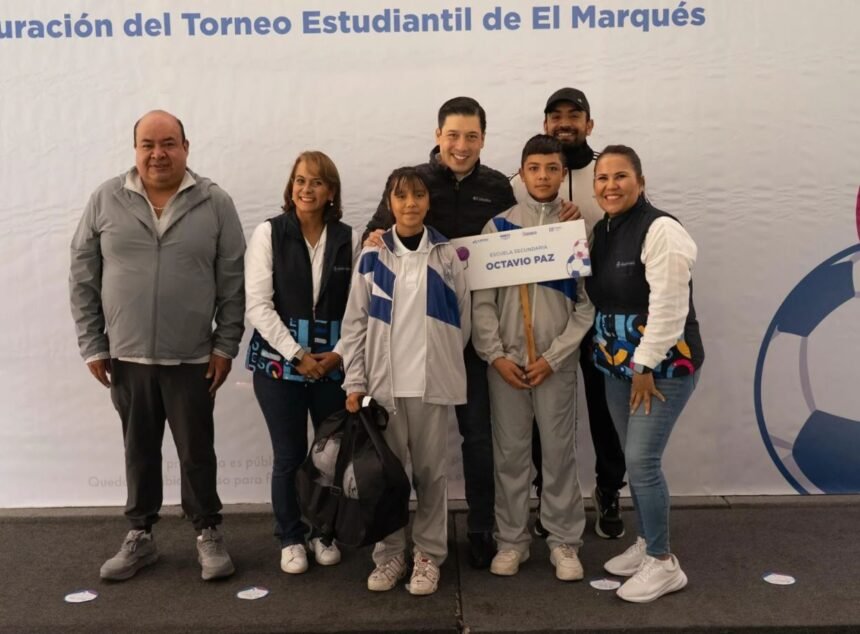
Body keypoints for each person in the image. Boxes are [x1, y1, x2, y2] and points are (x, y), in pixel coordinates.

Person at [69, 110, 245, 581]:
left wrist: (225, 346)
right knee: (139, 452)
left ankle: (208, 532)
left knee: (196, 453)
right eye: (148, 144)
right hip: (127, 358)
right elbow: (83, 276)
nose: (158, 154)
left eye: (168, 143)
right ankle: (140, 535)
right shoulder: (106, 199)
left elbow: (233, 281)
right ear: (136, 150)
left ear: (186, 147)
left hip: (192, 357)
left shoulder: (215, 202)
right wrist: (93, 345)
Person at [363, 97, 516, 568]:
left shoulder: (499, 186)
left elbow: (523, 239)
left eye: (471, 136)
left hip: (475, 331)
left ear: (483, 139)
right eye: (453, 135)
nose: (461, 145)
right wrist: (371, 237)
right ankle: (393, 543)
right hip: (415, 338)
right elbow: (376, 235)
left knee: (478, 436)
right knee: (400, 453)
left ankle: (481, 527)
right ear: (437, 136)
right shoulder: (413, 182)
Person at [342, 166, 471, 596]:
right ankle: (390, 554)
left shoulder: (447, 255)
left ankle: (428, 555)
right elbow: (354, 324)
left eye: (418, 195)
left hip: (431, 388)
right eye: (401, 196)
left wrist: (444, 362)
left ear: (429, 201)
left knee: (432, 477)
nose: (411, 203)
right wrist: (355, 382)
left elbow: (462, 321)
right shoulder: (372, 256)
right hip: (384, 392)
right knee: (386, 479)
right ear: (390, 203)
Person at [472, 135, 595, 581]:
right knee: (510, 456)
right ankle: (512, 541)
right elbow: (482, 302)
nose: (543, 176)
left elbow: (586, 306)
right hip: (506, 366)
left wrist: (556, 356)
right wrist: (495, 355)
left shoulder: (573, 229)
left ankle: (564, 542)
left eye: (552, 168)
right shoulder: (498, 227)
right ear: (521, 174)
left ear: (563, 174)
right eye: (534, 168)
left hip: (553, 366)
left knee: (559, 455)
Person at [587, 145, 704, 603]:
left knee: (642, 461)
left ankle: (662, 561)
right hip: (616, 365)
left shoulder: (662, 230)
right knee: (630, 456)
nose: (610, 185)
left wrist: (644, 365)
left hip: (659, 368)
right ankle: (647, 540)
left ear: (640, 181)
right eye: (602, 178)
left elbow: (670, 308)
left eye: (620, 176)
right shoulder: (602, 230)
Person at [511, 87, 626, 540]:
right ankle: (548, 495)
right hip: (547, 315)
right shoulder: (520, 180)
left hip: (602, 313)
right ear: (545, 124)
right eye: (555, 115)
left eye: (574, 116)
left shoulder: (607, 172)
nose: (564, 123)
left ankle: (608, 490)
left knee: (604, 409)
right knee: (543, 414)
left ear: (589, 124)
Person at [244, 151, 361, 574]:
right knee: (289, 455)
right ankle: (290, 536)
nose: (306, 189)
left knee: (328, 457)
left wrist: (340, 353)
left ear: (331, 191)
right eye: (299, 180)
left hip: (332, 364)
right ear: (290, 187)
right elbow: (258, 306)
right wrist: (297, 354)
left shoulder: (349, 238)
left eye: (316, 182)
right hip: (280, 364)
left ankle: (322, 532)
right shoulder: (268, 233)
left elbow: (359, 307)